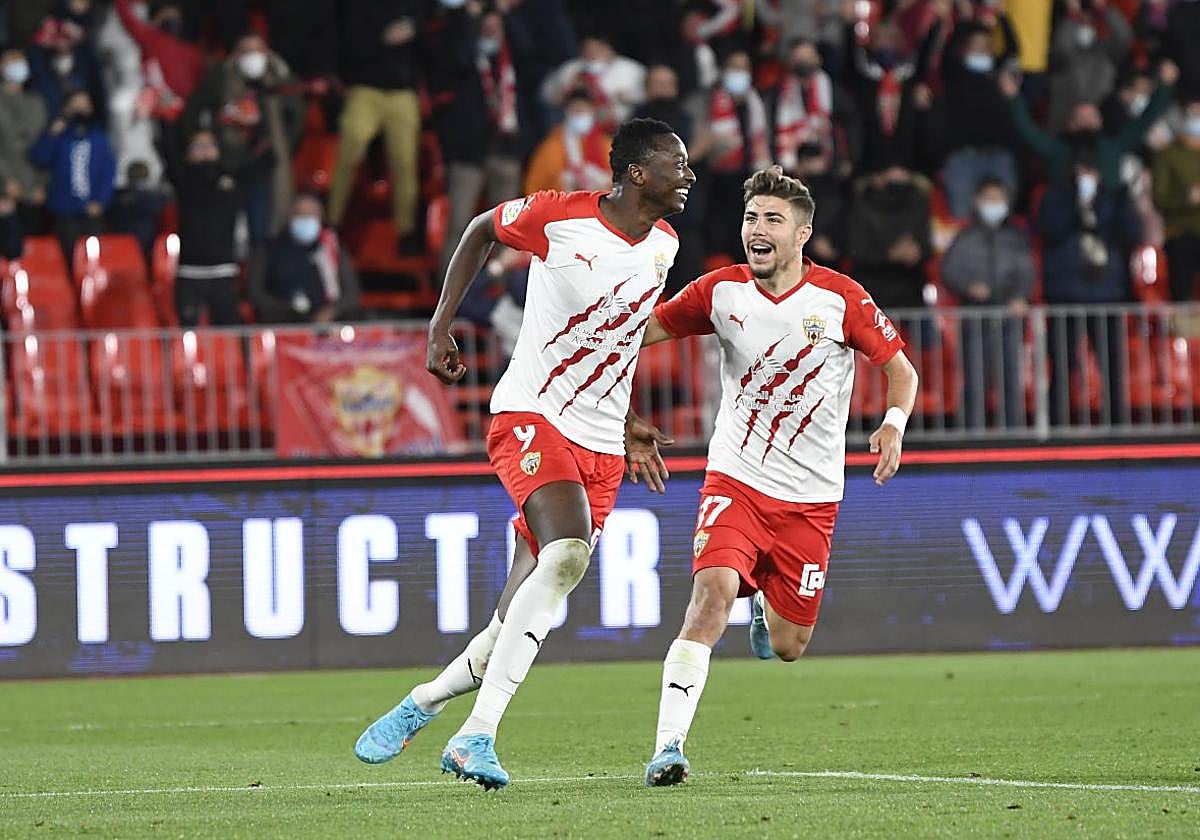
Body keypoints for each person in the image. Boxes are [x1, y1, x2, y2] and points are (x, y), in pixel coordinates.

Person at [353, 118, 695, 790]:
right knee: (566, 554)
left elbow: (616, 340)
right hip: (531, 414)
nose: (688, 175)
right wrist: (439, 326)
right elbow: (480, 228)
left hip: (602, 442)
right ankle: (475, 736)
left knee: (524, 610)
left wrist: (627, 419)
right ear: (637, 172)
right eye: (676, 163)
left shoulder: (665, 245)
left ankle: (423, 701)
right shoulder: (559, 217)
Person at [629, 166, 917, 785]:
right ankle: (668, 748)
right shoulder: (720, 291)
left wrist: (893, 424)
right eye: (751, 217)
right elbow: (637, 335)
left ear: (802, 234)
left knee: (790, 646)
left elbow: (902, 370)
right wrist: (623, 412)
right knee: (710, 599)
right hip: (735, 478)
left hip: (811, 499)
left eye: (772, 220)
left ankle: (762, 601)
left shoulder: (841, 298)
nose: (757, 230)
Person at [1037, 157, 1139, 426]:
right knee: (1062, 363)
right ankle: (1057, 424)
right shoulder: (1056, 199)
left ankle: (1117, 424)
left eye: (1090, 171)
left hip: (1107, 295)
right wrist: (1077, 205)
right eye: (1080, 171)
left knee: (1111, 364)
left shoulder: (1112, 199)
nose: (1086, 177)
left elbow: (1132, 234)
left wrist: (1121, 201)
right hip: (1066, 295)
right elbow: (1049, 229)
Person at [430, 4, 523, 279]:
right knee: (459, 224)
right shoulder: (466, 60)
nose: (491, 31)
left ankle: (504, 287)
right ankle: (446, 290)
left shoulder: (512, 61)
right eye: (486, 26)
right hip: (468, 154)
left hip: (505, 151)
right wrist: (470, 20)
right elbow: (455, 57)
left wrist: (506, 16)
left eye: (496, 26)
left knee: (508, 226)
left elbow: (528, 46)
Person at [183, 31, 303, 243]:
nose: (252, 56)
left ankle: (258, 260)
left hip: (263, 166)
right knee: (224, 228)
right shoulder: (221, 79)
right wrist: (203, 138)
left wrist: (283, 146)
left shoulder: (282, 80)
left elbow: (296, 119)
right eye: (246, 51)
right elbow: (193, 109)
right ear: (236, 55)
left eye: (257, 50)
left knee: (260, 227)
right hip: (228, 163)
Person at [326, 0, 424, 246]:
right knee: (349, 151)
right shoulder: (358, 7)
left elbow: (430, 27)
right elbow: (346, 40)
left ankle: (406, 232)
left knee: (405, 162)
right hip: (365, 89)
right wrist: (381, 38)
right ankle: (332, 223)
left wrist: (415, 29)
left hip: (402, 92)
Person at [940, 178, 1035, 429]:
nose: (994, 204)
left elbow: (1027, 271)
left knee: (1009, 379)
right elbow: (949, 269)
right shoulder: (965, 237)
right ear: (977, 201)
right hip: (974, 317)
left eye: (999, 199)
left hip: (1009, 318)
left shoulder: (1015, 237)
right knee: (975, 380)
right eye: (989, 199)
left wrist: (1021, 297)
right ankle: (972, 435)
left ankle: (1013, 435)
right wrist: (968, 286)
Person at [29, 88, 115, 264]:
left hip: (91, 211)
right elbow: (39, 158)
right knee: (68, 259)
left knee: (93, 259)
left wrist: (101, 201)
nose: (81, 109)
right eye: (76, 105)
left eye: (85, 105)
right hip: (64, 210)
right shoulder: (60, 137)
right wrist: (52, 134)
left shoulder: (99, 137)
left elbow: (108, 172)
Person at [246, 191, 360, 323]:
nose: (306, 219)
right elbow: (255, 292)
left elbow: (351, 292)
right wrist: (289, 311)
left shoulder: (332, 249)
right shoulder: (268, 250)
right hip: (281, 323)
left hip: (328, 324)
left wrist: (332, 311)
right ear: (290, 217)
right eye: (301, 214)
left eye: (312, 215)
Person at [173, 128, 243, 327]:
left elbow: (266, 159)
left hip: (223, 271)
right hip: (189, 271)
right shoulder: (182, 179)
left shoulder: (233, 179)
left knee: (229, 335)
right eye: (198, 145)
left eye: (209, 145)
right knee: (187, 335)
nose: (204, 150)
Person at [540, 34, 645, 132]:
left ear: (610, 49)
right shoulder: (570, 69)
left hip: (622, 126)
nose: (593, 54)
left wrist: (627, 96)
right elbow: (546, 95)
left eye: (598, 49)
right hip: (579, 125)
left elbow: (646, 96)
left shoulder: (631, 69)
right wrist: (567, 91)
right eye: (588, 50)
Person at [1152, 96, 1200, 301]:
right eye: (1193, 113)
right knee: (1181, 292)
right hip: (1180, 233)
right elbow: (1159, 197)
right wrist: (1186, 199)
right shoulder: (1168, 155)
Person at [522, 88, 612, 194]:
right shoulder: (552, 146)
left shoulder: (606, 144)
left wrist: (599, 180)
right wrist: (562, 183)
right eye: (576, 110)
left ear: (593, 112)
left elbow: (620, 184)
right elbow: (533, 188)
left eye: (584, 110)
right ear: (566, 112)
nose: (580, 115)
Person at [0, 48, 48, 228]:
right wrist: (5, 182)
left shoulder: (36, 102)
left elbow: (42, 145)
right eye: (11, 62)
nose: (17, 66)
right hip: (5, 188)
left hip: (33, 187)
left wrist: (40, 184)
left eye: (20, 62)